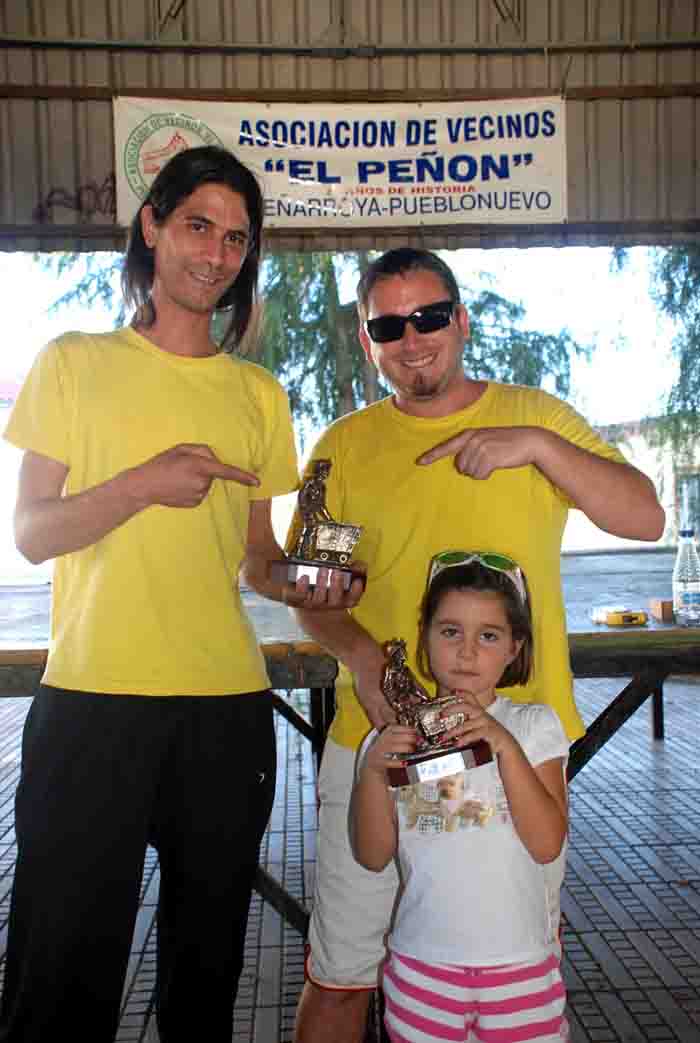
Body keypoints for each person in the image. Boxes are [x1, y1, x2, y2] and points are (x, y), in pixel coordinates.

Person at [0, 145, 359, 1043]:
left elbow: (256, 562)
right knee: (58, 978)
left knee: (207, 978)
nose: (217, 252)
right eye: (198, 225)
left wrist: (320, 578)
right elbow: (33, 534)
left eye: (237, 237)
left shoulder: (256, 394)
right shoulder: (73, 362)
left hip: (225, 713)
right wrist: (141, 484)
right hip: (91, 705)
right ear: (152, 227)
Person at [288, 247, 665, 1042]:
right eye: (389, 324)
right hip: (378, 751)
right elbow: (314, 597)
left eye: (429, 316)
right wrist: (358, 656)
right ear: (367, 340)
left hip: (515, 752)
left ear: (461, 320)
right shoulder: (342, 448)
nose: (412, 338)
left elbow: (644, 517)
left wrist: (535, 447)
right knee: (342, 978)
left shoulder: (539, 418)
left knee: (509, 972)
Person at [350, 552, 570, 1043]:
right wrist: (371, 773)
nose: (467, 652)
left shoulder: (534, 727)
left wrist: (503, 744)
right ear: (425, 637)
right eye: (450, 631)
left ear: (515, 647)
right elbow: (371, 855)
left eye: (488, 635)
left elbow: (547, 843)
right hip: (422, 965)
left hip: (522, 965)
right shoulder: (392, 742)